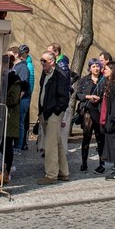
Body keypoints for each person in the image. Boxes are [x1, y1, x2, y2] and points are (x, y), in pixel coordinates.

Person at [37, 50, 71, 184]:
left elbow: (64, 98)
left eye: (44, 61)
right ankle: (64, 172)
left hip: (53, 114)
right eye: (41, 60)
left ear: (52, 61)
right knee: (57, 143)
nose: (42, 63)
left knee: (50, 145)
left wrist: (56, 112)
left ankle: (51, 175)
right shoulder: (45, 74)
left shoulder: (60, 75)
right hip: (45, 112)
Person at [74, 58, 105, 172]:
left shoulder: (104, 79)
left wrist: (99, 98)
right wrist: (88, 97)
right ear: (90, 68)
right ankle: (84, 163)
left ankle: (102, 163)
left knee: (100, 138)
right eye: (94, 66)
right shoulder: (85, 80)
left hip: (100, 111)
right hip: (87, 112)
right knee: (86, 138)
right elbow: (78, 95)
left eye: (98, 66)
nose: (96, 68)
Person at [3, 62, 24, 183]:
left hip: (10, 117)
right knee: (1, 146)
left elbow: (13, 100)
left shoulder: (15, 81)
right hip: (2, 116)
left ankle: (8, 169)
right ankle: (1, 169)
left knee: (7, 145)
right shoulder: (2, 79)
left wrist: (0, 100)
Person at [11, 45, 33, 152]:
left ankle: (18, 146)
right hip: (16, 99)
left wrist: (17, 99)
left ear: (16, 54)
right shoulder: (14, 67)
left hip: (22, 99)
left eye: (10, 55)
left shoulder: (23, 67)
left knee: (20, 122)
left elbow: (24, 86)